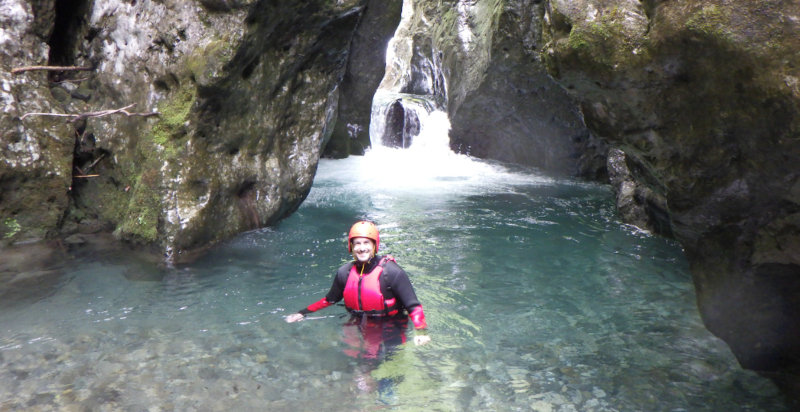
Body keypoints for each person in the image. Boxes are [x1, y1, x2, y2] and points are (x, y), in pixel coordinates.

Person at [285, 221, 431, 346]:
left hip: (391, 325)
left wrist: (421, 331)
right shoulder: (345, 272)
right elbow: (329, 299)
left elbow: (413, 306)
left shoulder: (392, 272)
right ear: (352, 247)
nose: (362, 248)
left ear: (374, 245)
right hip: (358, 321)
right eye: (357, 244)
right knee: (352, 356)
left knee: (382, 363)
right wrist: (302, 313)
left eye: (366, 243)